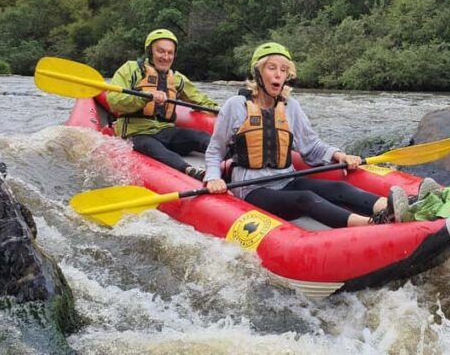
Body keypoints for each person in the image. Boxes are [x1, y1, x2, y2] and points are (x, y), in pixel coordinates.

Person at [203, 42, 409, 228]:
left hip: (286, 179)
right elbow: (215, 151)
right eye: (271, 68)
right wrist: (213, 178)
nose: (278, 75)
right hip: (251, 189)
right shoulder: (235, 106)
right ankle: (373, 224)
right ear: (258, 73)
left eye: (283, 70)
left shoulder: (290, 106)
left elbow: (311, 147)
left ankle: (401, 207)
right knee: (306, 199)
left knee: (338, 187)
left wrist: (340, 155)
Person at [106, 29, 218, 180]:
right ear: (150, 52)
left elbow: (200, 100)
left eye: (170, 53)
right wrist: (145, 98)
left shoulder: (177, 78)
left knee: (201, 137)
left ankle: (232, 160)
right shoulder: (131, 70)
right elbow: (114, 101)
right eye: (161, 51)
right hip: (136, 132)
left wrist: (220, 110)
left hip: (165, 131)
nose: (166, 57)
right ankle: (188, 171)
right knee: (154, 147)